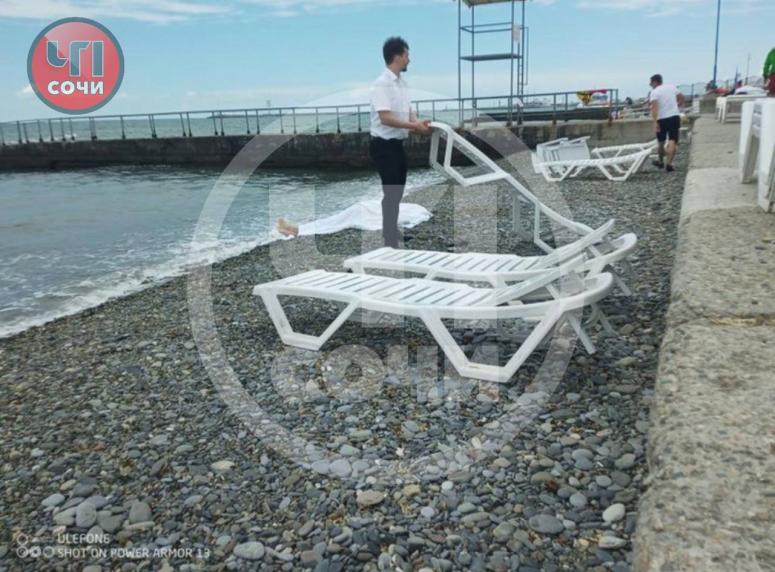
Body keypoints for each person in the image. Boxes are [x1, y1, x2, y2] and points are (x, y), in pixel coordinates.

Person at [369, 37, 431, 248]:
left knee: (398, 189)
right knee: (391, 190)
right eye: (406, 55)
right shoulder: (381, 84)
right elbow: (385, 118)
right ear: (396, 56)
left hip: (397, 144)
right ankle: (389, 237)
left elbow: (408, 111)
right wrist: (414, 126)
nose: (409, 60)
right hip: (382, 144)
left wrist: (418, 123)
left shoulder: (402, 84)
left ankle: (391, 229)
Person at [648, 74, 684, 173]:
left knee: (661, 142)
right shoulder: (671, 87)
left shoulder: (654, 92)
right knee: (673, 140)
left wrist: (655, 122)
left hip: (662, 119)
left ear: (655, 82)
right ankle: (669, 164)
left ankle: (660, 162)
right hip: (674, 117)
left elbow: (654, 108)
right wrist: (677, 106)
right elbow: (682, 97)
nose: (650, 84)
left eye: (651, 82)